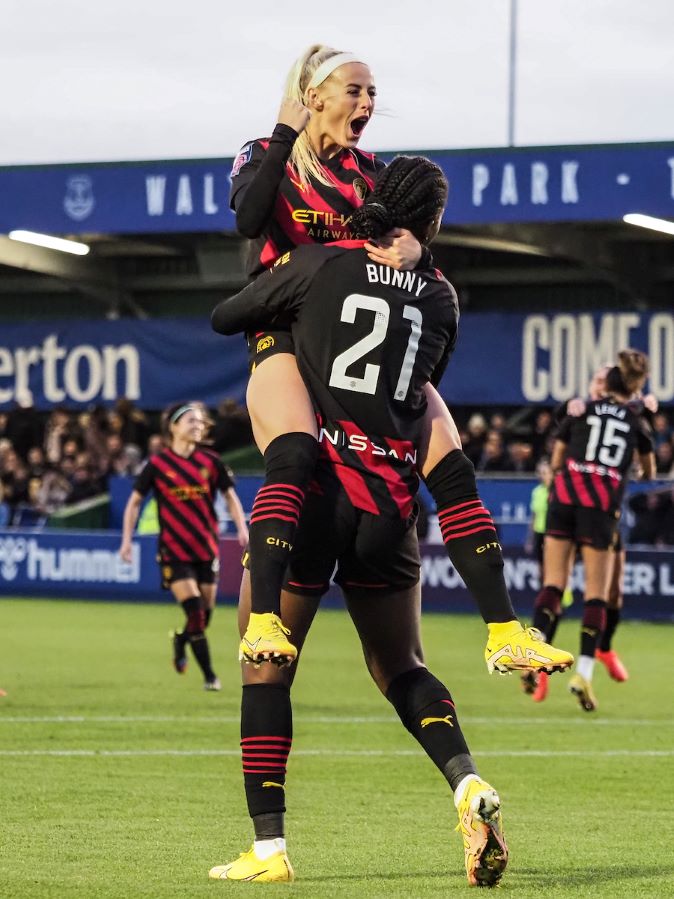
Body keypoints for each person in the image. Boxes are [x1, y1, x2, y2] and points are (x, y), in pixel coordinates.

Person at [209, 155, 510, 886]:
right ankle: (468, 783)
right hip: (387, 508)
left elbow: (228, 317)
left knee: (265, 664)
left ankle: (270, 850)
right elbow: (423, 378)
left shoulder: (320, 262)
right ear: (432, 224)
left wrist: (287, 308)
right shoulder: (440, 296)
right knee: (403, 666)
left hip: (310, 494)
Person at [228, 44, 570, 672]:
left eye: (373, 93)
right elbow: (250, 218)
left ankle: (504, 630)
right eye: (355, 90)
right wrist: (283, 131)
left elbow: (405, 249)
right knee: (296, 453)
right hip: (282, 332)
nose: (367, 103)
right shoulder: (264, 154)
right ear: (315, 97)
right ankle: (267, 615)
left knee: (448, 453)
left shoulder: (374, 174)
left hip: (356, 337)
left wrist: (421, 255)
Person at [529, 351, 655, 711]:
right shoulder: (637, 421)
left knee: (554, 584)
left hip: (565, 497)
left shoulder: (580, 411)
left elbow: (556, 461)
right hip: (600, 505)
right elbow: (649, 474)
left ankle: (534, 654)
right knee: (598, 595)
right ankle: (584, 670)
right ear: (633, 387)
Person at [119, 402, 249, 690]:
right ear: (173, 427)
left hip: (206, 548)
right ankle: (210, 677)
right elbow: (134, 503)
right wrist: (126, 541)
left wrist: (242, 528)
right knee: (195, 612)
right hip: (173, 550)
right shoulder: (157, 465)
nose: (198, 425)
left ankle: (180, 640)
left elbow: (230, 497)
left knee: (204, 616)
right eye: (191, 420)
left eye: (201, 421)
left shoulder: (212, 462)